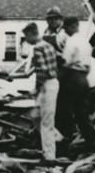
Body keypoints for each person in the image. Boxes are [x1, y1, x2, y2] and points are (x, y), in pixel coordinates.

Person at [10, 23, 59, 162]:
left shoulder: (37, 48)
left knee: (46, 123)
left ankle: (49, 156)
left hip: (47, 85)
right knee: (35, 115)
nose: (26, 40)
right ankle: (58, 139)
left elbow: (42, 71)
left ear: (32, 34)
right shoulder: (48, 45)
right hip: (52, 83)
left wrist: (37, 89)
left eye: (26, 37)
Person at [58, 15, 95, 146]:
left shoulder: (71, 41)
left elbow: (66, 62)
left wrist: (59, 79)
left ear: (73, 26)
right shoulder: (86, 42)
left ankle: (66, 141)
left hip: (72, 77)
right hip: (84, 78)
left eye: (66, 28)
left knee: (64, 109)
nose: (65, 31)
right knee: (82, 112)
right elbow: (89, 64)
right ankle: (91, 140)